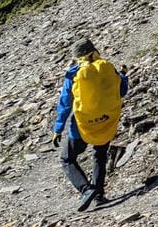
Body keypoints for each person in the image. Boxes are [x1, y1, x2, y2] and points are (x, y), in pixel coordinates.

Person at [51, 39, 129, 211]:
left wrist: (58, 128)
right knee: (100, 155)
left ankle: (86, 190)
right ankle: (99, 195)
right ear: (93, 51)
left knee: (67, 158)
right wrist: (124, 75)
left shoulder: (74, 74)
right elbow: (122, 90)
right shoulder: (108, 67)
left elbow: (65, 103)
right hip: (107, 120)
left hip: (82, 125)